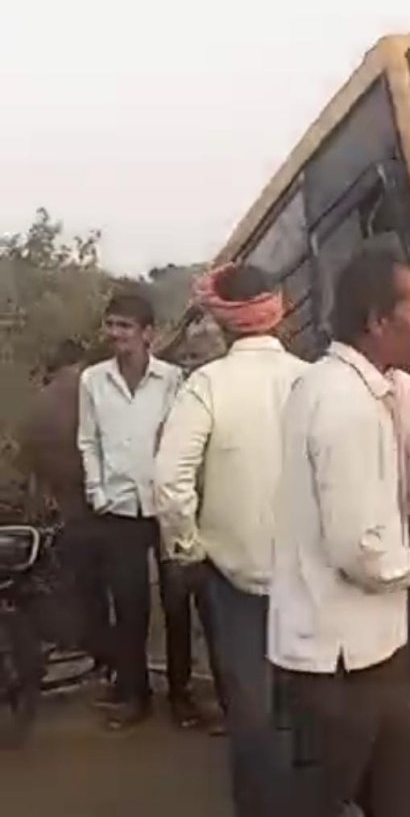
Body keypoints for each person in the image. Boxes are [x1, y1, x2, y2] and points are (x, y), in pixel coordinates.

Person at [268, 246, 410, 817]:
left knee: (402, 795)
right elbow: (364, 554)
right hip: (341, 662)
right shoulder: (345, 405)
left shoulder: (349, 389)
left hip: (367, 652)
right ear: (375, 320)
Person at [155, 263, 308, 817]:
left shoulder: (206, 385)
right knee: (308, 699)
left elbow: (169, 481)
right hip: (310, 572)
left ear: (222, 322)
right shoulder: (312, 380)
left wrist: (187, 548)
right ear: (277, 312)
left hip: (233, 574)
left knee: (251, 708)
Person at [77, 291, 184, 731]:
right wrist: (97, 490)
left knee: (176, 602)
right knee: (129, 604)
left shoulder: (172, 380)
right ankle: (135, 695)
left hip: (167, 506)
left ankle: (181, 694)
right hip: (118, 506)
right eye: (111, 325)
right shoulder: (93, 381)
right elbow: (88, 441)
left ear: (148, 333)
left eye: (125, 326)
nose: (116, 334)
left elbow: (182, 440)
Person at [19, 340, 114, 680]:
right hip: (103, 505)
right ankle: (117, 664)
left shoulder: (37, 404)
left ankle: (95, 653)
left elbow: (29, 468)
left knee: (85, 588)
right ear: (78, 361)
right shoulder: (90, 390)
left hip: (66, 510)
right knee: (117, 589)